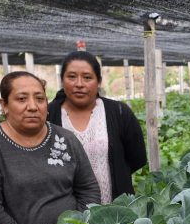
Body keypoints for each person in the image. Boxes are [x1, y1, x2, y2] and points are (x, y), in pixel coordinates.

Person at [0, 71, 101, 224]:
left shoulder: (65, 139)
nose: (33, 106)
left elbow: (88, 188)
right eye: (21, 99)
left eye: (40, 99)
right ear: (4, 105)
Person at [48, 51, 147, 203]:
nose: (79, 84)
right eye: (72, 77)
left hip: (115, 210)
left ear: (99, 81)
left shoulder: (119, 112)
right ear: (62, 80)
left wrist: (117, 172)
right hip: (66, 215)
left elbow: (137, 157)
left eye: (87, 77)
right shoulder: (48, 115)